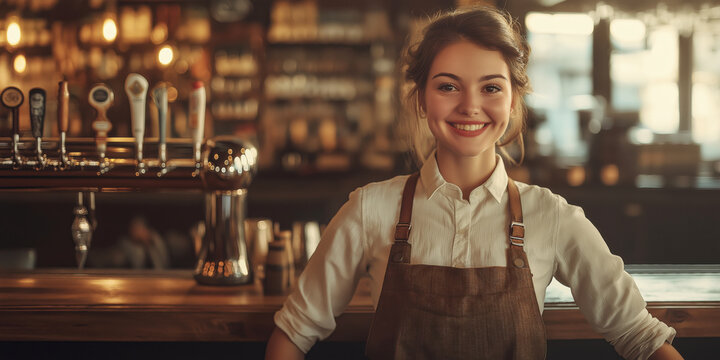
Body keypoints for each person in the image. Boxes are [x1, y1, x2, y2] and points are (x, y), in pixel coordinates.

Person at [266, 6, 683, 360]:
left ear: (512, 101)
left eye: (491, 87)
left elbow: (640, 336)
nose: (470, 106)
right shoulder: (369, 209)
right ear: (422, 99)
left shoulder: (552, 216)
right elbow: (293, 332)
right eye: (448, 86)